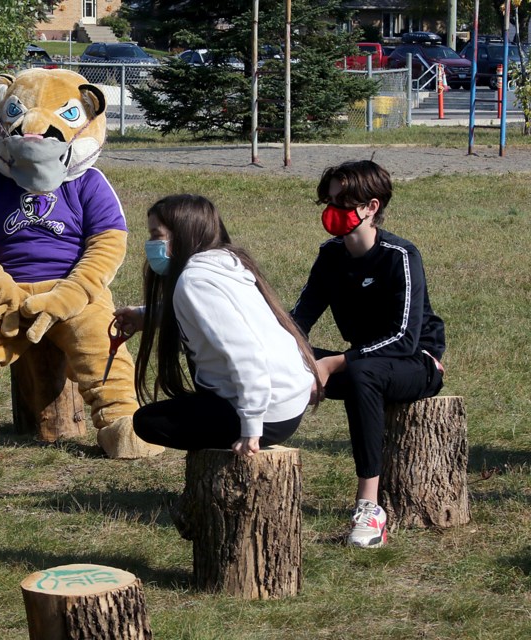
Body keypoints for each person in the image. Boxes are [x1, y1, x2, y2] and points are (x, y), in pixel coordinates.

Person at [290, 160, 445, 549]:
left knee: (362, 374)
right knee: (287, 356)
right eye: (329, 200)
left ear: (371, 207)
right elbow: (298, 320)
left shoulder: (400, 256)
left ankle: (370, 508)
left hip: (416, 363)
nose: (333, 209)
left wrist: (332, 363)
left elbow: (405, 339)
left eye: (343, 201)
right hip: (364, 361)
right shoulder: (331, 255)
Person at [114, 194, 320, 459]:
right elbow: (208, 314)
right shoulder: (223, 264)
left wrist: (251, 428)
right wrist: (146, 316)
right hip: (286, 403)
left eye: (157, 235)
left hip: (268, 413)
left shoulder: (194, 281)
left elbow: (246, 353)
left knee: (147, 421)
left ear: (182, 234)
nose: (151, 244)